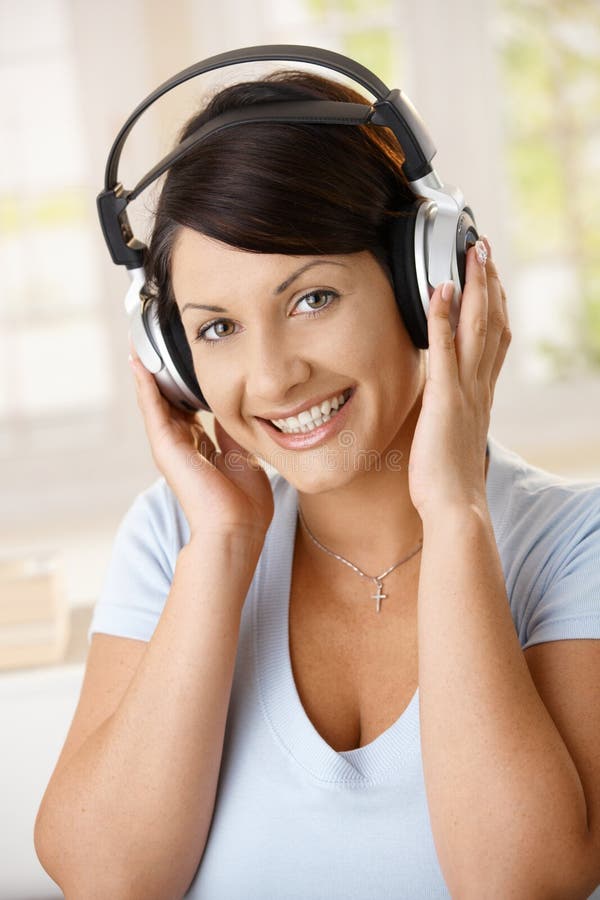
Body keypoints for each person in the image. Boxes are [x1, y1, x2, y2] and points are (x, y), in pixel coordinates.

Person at [34, 60, 600, 900]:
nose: (269, 380)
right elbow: (108, 879)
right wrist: (224, 544)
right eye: (217, 327)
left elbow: (516, 880)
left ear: (425, 282)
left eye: (311, 299)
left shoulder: (573, 543)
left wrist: (453, 511)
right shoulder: (174, 537)